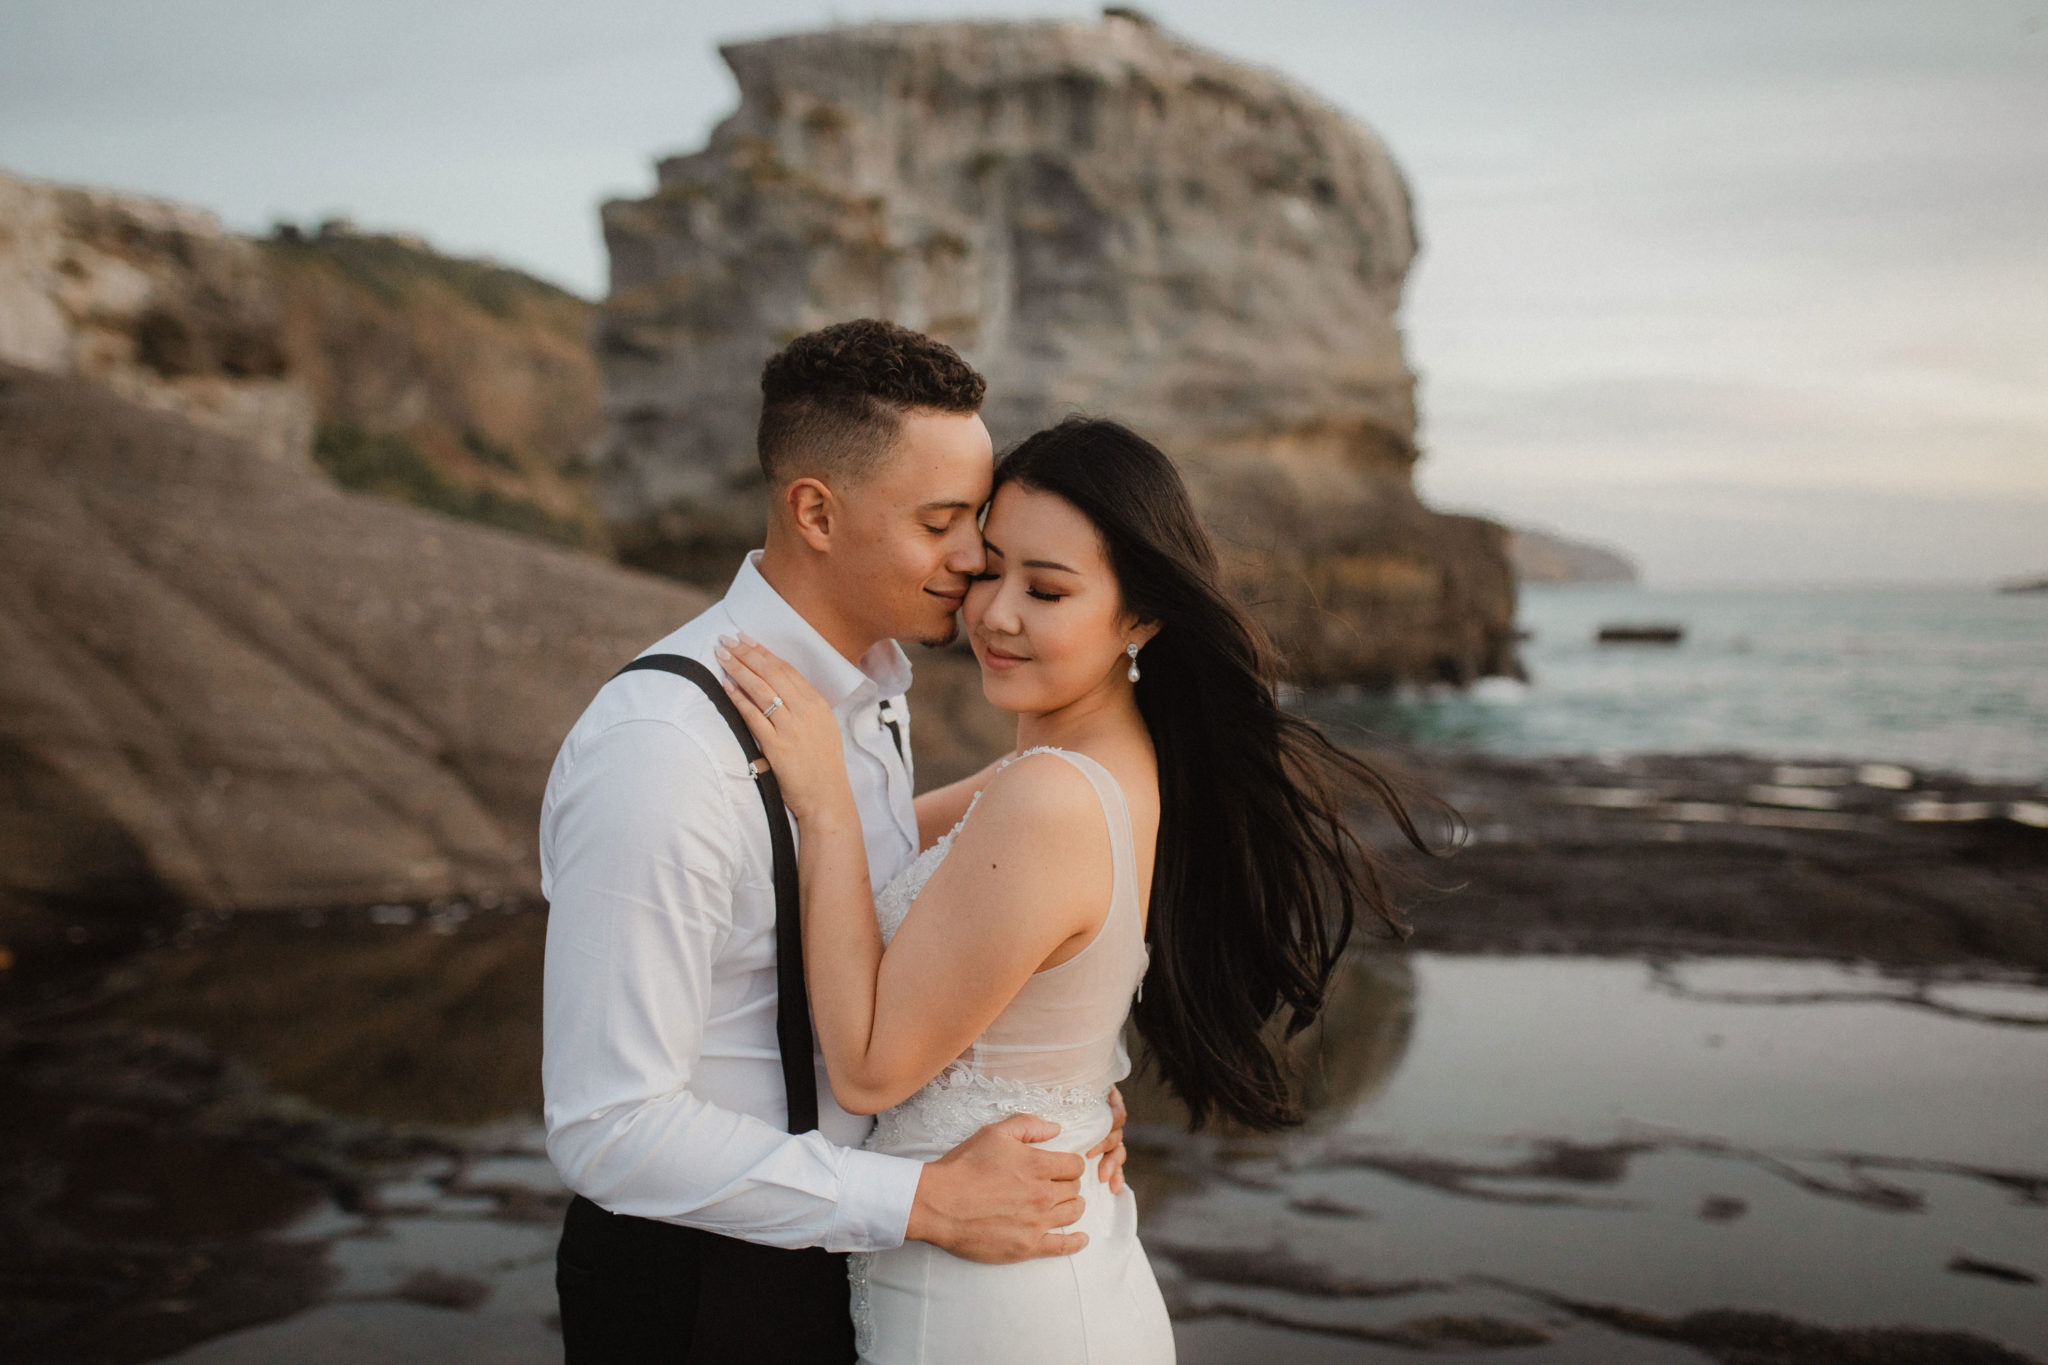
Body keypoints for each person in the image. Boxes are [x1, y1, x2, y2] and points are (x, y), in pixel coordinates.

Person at [715, 415, 1450, 1363]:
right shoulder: (1085, 767)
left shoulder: (1052, 795)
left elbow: (865, 1065)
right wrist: (1084, 1087)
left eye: (1047, 589)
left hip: (998, 1308)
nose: (996, 613)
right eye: (988, 569)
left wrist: (819, 794)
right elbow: (899, 872)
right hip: (1012, 1268)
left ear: (1139, 617)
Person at [540, 322, 1128, 1364]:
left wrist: (1061, 1094)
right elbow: (609, 1127)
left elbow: (904, 907)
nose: (972, 563)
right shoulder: (662, 749)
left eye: (976, 523)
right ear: (815, 511)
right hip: (704, 1290)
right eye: (941, 522)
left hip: (856, 1255)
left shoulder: (870, 694)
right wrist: (926, 1203)